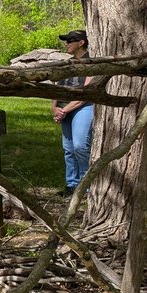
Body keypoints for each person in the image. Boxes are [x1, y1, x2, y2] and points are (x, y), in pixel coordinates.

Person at [54, 29, 94, 195]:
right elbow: (57, 87)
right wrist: (55, 107)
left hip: (83, 107)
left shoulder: (91, 62)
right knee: (68, 149)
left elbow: (86, 93)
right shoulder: (67, 63)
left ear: (81, 42)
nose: (67, 44)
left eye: (70, 41)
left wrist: (64, 110)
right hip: (64, 108)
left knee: (80, 146)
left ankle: (86, 186)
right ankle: (72, 184)